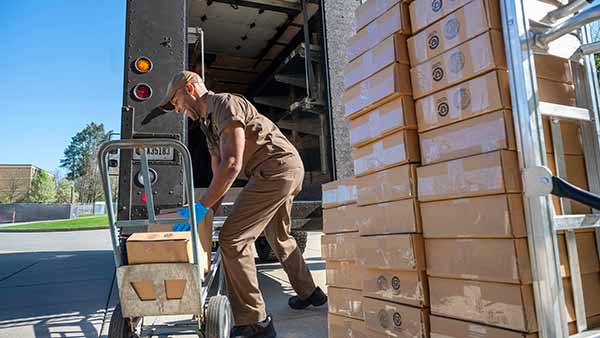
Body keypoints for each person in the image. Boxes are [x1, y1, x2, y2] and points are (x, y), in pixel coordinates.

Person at [160, 71, 327, 338]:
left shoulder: (225, 104)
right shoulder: (208, 125)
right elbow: (219, 176)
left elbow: (232, 164)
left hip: (276, 169)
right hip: (281, 169)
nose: (177, 109)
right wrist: (202, 219)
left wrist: (200, 206)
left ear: (190, 89)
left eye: (175, 101)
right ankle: (311, 293)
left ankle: (254, 322)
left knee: (233, 239)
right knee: (279, 235)